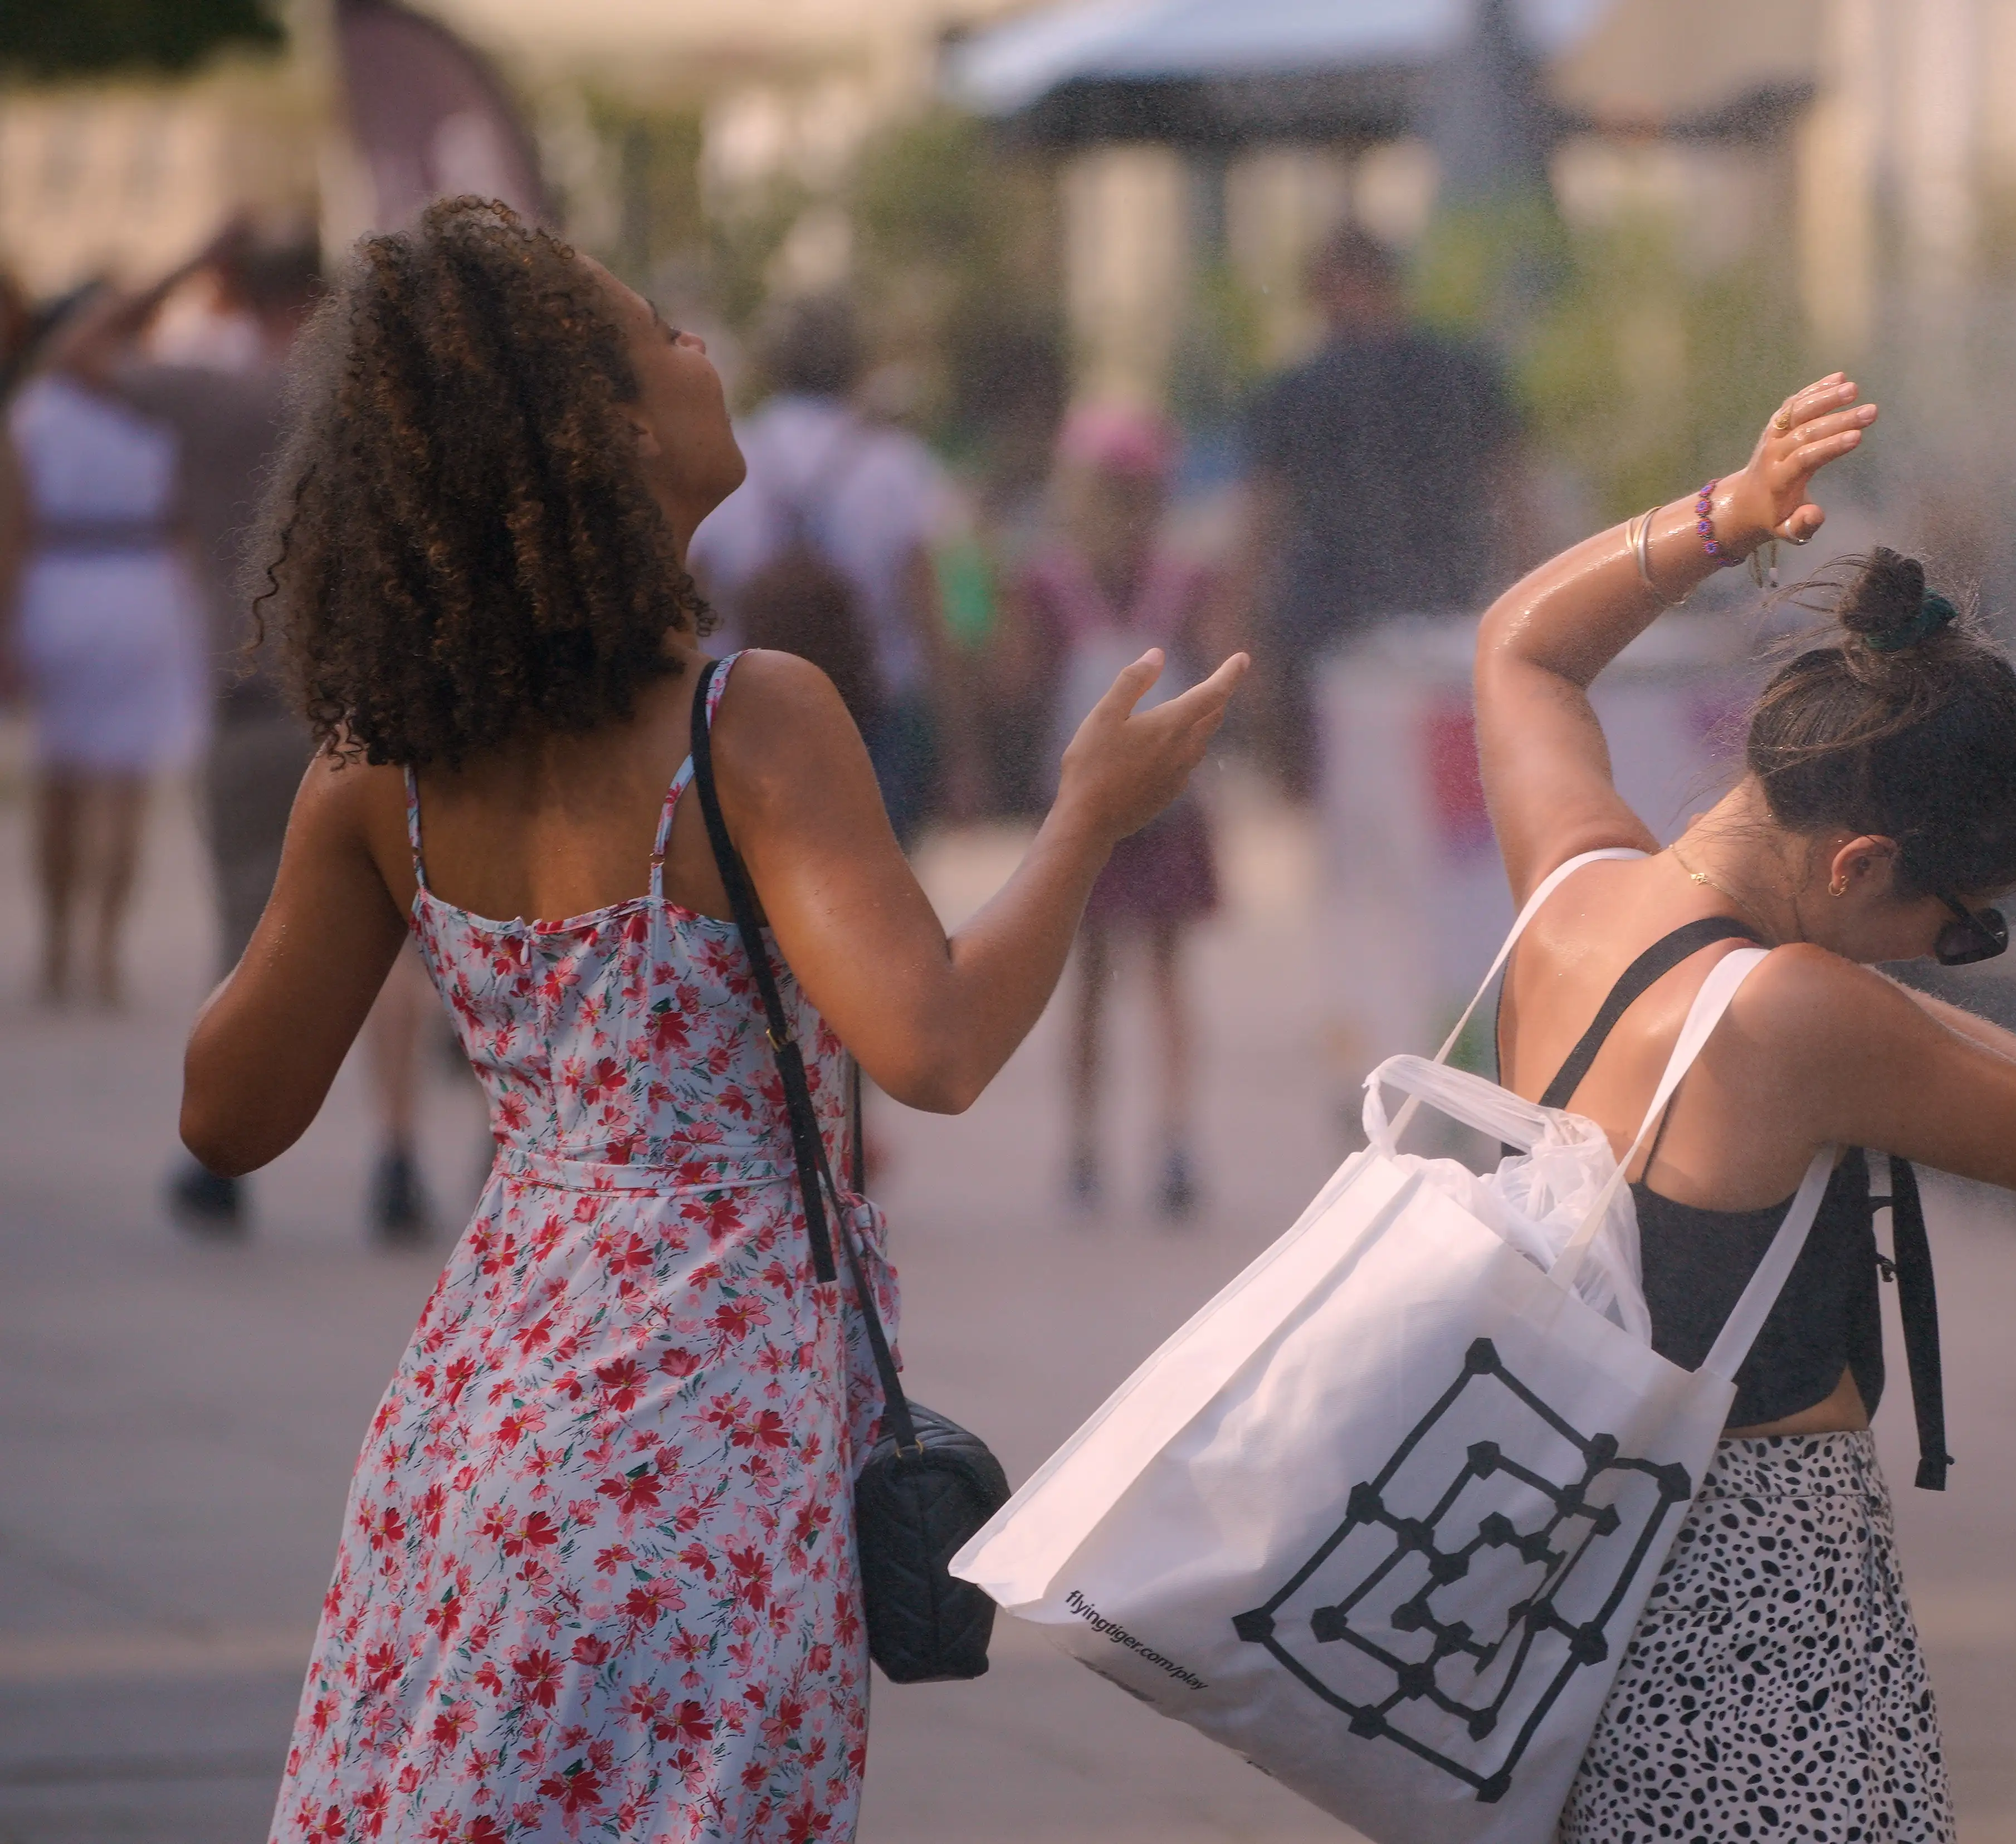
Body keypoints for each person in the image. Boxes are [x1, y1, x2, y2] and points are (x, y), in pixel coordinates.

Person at [176, 198, 1242, 1838]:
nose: (703, 351)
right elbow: (934, 1046)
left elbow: (225, 1113)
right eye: (663, 336)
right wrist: (1085, 817)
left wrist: (351, 823)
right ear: (596, 439)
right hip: (701, 1430)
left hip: (468, 1425)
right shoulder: (753, 722)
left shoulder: (380, 769)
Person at [1473, 374, 2016, 1843]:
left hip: (1563, 1571)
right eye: (1960, 927)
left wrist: (1723, 516)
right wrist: (1848, 987)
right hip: (1752, 1594)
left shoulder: (1570, 895)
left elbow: (1518, 650)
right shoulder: (1787, 1011)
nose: (1945, 959)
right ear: (1857, 861)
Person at [51, 222, 445, 1238]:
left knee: (244, 922)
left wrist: (184, 261)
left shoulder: (214, 397)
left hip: (255, 703)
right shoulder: (388, 413)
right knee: (397, 943)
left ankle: (222, 1162)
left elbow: (73, 353)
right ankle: (398, 1154)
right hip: (380, 710)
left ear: (244, 300)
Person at [1000, 404, 1235, 1216]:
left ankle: (1085, 1148)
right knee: (1165, 973)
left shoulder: (1046, 581)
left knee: (1091, 977)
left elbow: (1016, 678)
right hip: (1170, 792)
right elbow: (1227, 668)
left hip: (1082, 797)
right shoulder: (1187, 578)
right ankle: (1171, 1139)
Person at [1241, 226, 1528, 796]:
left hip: (1334, 625)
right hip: (1449, 617)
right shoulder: (1462, 374)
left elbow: (1260, 526)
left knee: (1353, 804)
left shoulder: (1297, 390)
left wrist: (1248, 637)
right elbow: (1516, 500)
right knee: (1449, 801)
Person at [691, 294, 972, 841]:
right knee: (879, 898)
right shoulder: (897, 464)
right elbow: (928, 612)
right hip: (869, 714)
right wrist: (961, 748)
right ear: (856, 364)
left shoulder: (729, 455)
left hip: (746, 713)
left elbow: (693, 596)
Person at [3, 300, 208, 1007]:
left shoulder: (36, 413)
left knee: (59, 781)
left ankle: (60, 940)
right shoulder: (155, 409)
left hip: (56, 585)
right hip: (142, 585)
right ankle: (102, 949)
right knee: (123, 785)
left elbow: (14, 523)